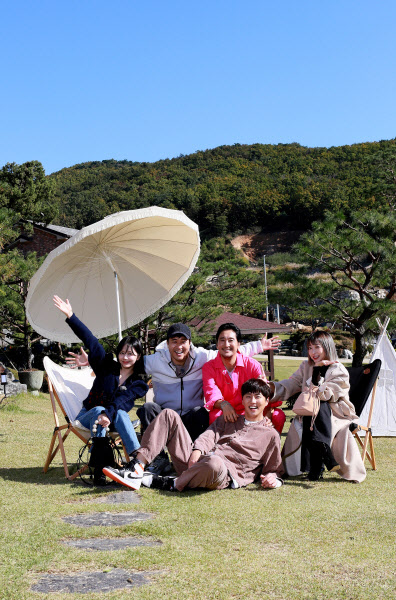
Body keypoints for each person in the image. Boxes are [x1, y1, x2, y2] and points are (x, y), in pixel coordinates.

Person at [67, 322, 281, 441]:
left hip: (190, 415)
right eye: (174, 342)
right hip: (164, 414)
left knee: (202, 412)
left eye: (183, 342)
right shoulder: (154, 361)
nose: (179, 347)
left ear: (190, 343)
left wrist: (258, 346)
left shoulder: (203, 358)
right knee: (148, 408)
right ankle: (156, 459)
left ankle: (195, 453)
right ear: (167, 344)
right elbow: (127, 360)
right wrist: (92, 363)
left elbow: (229, 350)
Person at [103, 378, 284, 492]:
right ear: (243, 400)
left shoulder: (270, 435)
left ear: (267, 401)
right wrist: (197, 450)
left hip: (221, 472)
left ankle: (169, 483)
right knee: (168, 414)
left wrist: (274, 479)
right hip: (196, 461)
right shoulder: (231, 419)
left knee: (214, 463)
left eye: (258, 397)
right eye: (248, 397)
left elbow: (274, 468)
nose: (253, 401)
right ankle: (137, 467)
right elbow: (209, 435)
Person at [53, 295, 148, 485]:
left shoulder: (138, 384)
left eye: (130, 354)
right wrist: (71, 316)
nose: (125, 357)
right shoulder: (106, 366)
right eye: (122, 352)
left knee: (120, 413)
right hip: (88, 416)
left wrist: (108, 413)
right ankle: (99, 469)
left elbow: (122, 401)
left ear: (138, 357)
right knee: (98, 410)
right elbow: (91, 341)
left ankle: (137, 462)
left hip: (111, 420)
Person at [270, 330, 366, 482]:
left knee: (319, 405)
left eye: (316, 347)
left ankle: (316, 466)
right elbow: (292, 383)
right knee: (313, 411)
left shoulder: (338, 370)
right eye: (309, 348)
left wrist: (317, 372)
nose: (312, 352)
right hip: (312, 413)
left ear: (327, 347)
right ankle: (324, 453)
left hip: (335, 413)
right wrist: (271, 388)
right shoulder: (306, 366)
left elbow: (326, 395)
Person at [202, 323, 286, 434]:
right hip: (226, 410)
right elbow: (211, 392)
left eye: (231, 340)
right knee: (214, 416)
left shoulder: (252, 365)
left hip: (251, 409)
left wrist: (268, 415)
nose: (226, 344)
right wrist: (224, 404)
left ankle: (270, 449)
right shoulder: (209, 367)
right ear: (217, 344)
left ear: (238, 344)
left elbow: (265, 392)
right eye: (222, 340)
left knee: (277, 416)